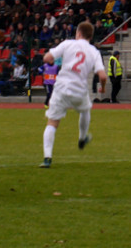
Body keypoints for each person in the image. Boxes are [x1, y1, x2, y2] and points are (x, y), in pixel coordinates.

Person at [39, 21, 107, 168]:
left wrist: (51, 59)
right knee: (85, 110)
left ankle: (47, 158)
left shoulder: (67, 43)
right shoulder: (94, 51)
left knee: (52, 122)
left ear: (78, 33)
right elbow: (102, 76)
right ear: (90, 36)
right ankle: (82, 138)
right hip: (79, 89)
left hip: (61, 87)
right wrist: (103, 88)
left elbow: (46, 58)